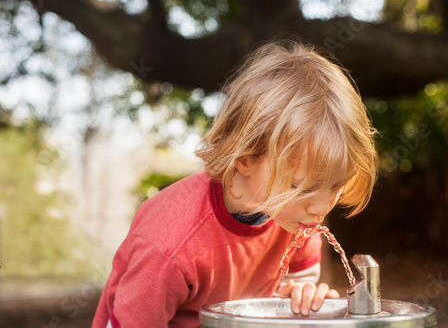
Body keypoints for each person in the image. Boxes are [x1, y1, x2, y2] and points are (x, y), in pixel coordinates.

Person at [92, 40, 378, 328]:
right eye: (302, 187)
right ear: (245, 159)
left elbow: (293, 285)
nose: (322, 207)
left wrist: (300, 297)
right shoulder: (169, 244)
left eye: (335, 185)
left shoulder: (296, 217)